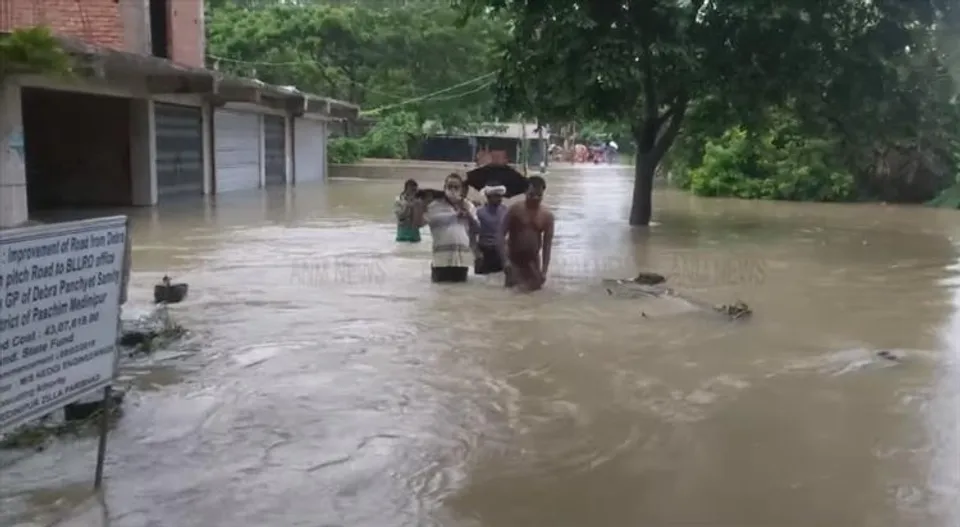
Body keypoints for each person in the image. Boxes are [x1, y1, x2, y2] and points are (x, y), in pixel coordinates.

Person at [414, 173, 479, 283]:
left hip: (461, 262)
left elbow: (477, 229)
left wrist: (467, 214)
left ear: (462, 190)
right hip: (441, 261)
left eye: (456, 187)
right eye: (450, 186)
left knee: (459, 297)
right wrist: (420, 206)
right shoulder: (434, 205)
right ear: (444, 188)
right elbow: (417, 224)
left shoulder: (468, 206)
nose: (453, 189)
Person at [501, 176, 554, 291]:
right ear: (525, 192)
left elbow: (547, 245)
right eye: (532, 195)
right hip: (514, 260)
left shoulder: (547, 216)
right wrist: (505, 261)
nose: (535, 198)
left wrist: (544, 271)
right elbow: (500, 235)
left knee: (534, 299)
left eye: (539, 196)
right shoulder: (514, 210)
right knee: (511, 295)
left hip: (533, 262)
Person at [474, 184, 508, 275]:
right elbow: (472, 234)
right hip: (484, 252)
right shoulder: (478, 212)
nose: (500, 198)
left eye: (501, 195)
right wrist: (477, 253)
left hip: (501, 252)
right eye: (496, 196)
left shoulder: (506, 211)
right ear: (488, 196)